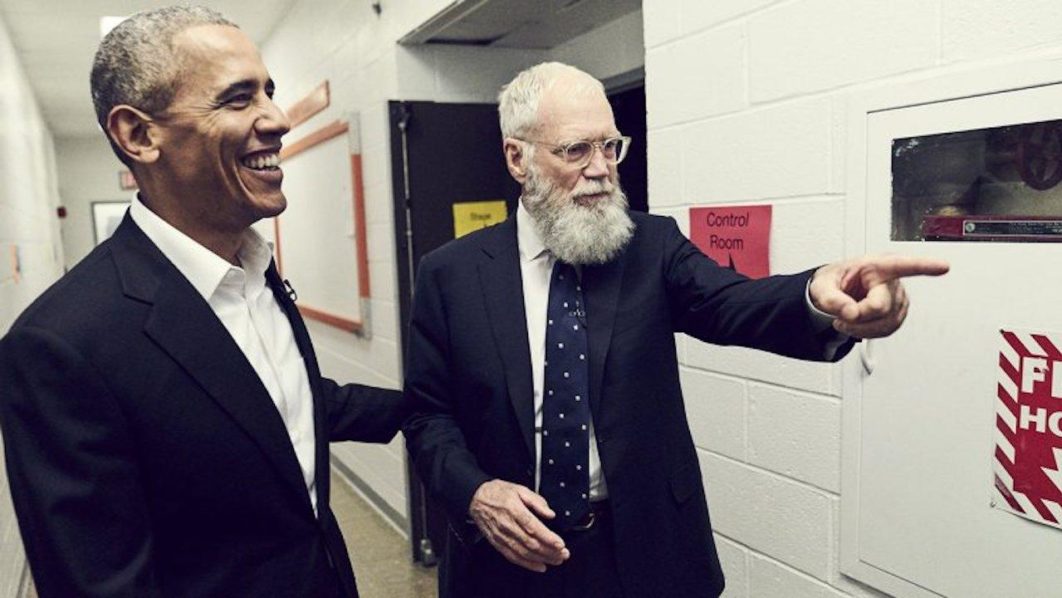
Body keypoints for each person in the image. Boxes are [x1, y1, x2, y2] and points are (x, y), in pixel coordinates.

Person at [403, 61, 949, 598]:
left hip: (643, 551)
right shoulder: (450, 275)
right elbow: (428, 416)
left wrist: (819, 295)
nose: (601, 168)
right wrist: (476, 493)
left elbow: (733, 302)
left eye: (610, 146)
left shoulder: (651, 247)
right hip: (507, 560)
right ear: (517, 157)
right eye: (576, 150)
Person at [0, 7, 406, 597]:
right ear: (139, 136)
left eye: (269, 92)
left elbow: (267, 402)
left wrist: (428, 403)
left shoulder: (254, 269)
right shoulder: (60, 347)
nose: (278, 119)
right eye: (238, 99)